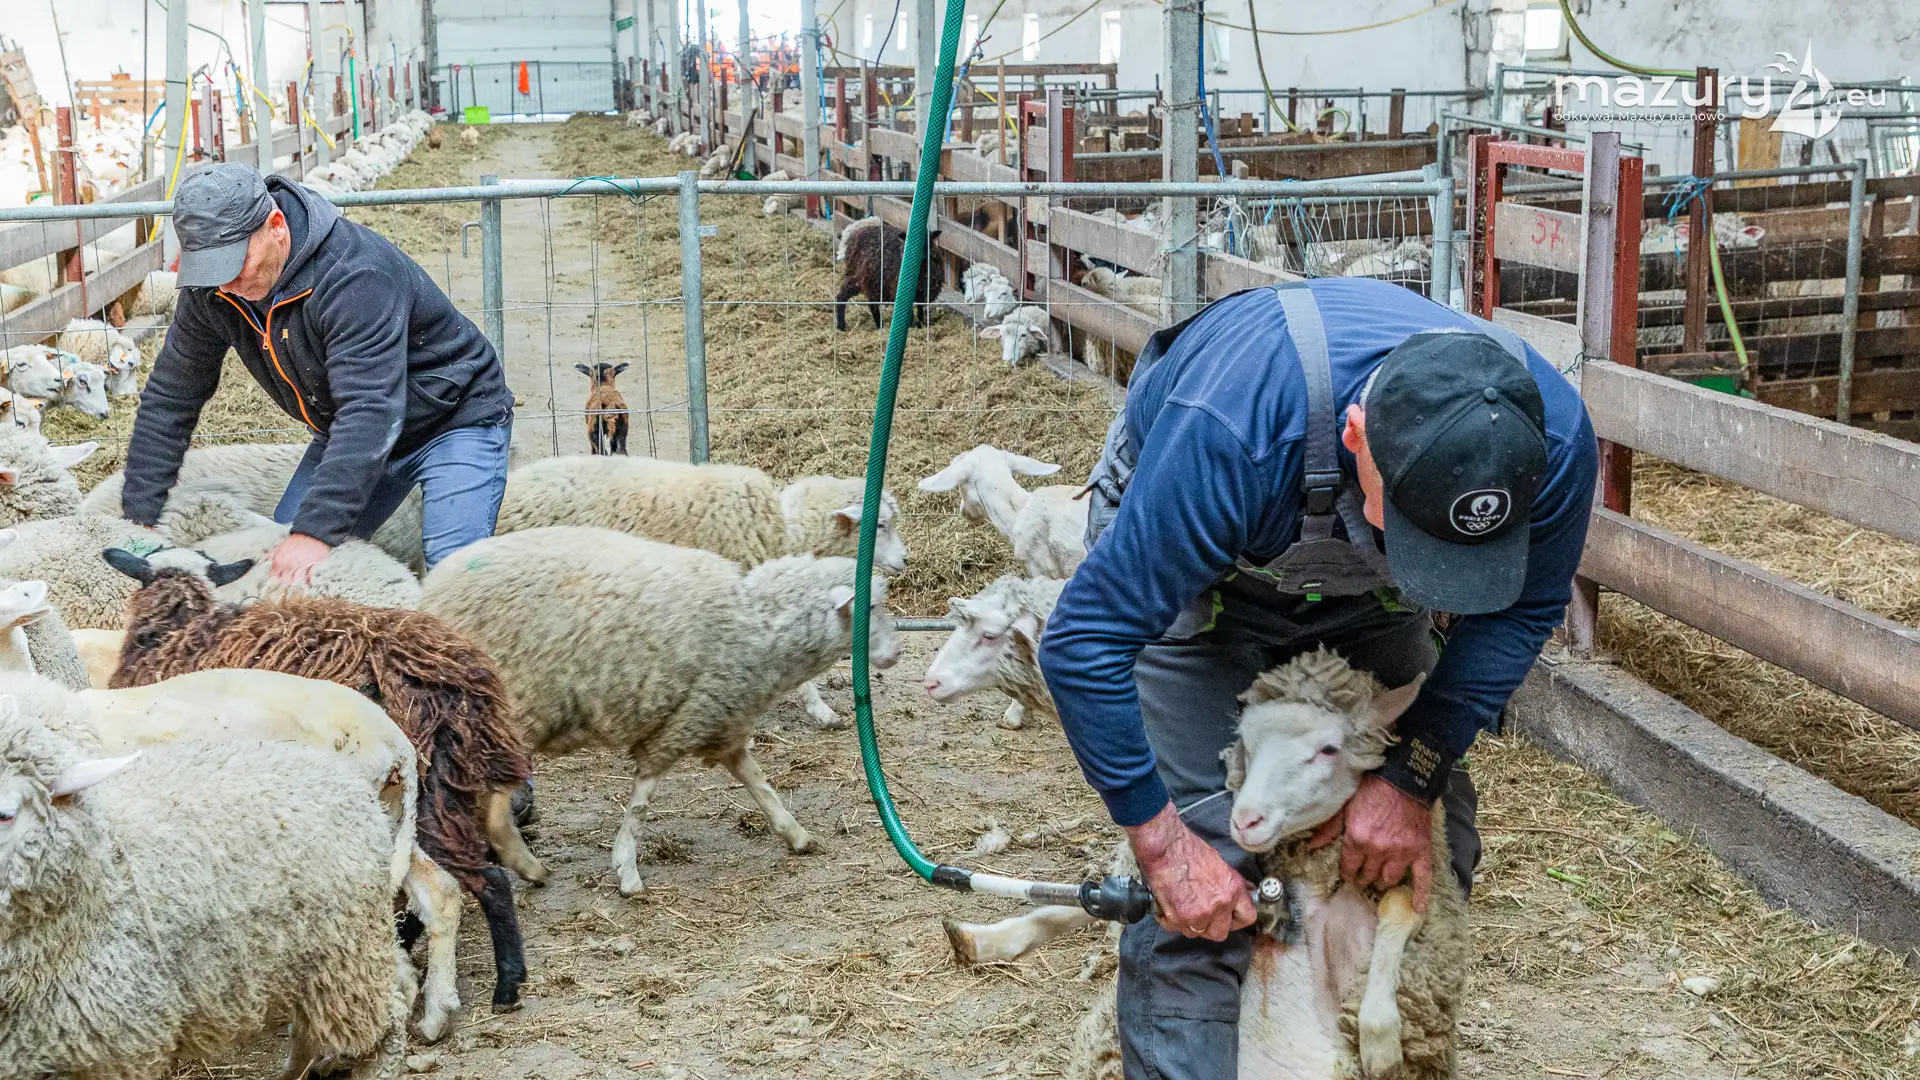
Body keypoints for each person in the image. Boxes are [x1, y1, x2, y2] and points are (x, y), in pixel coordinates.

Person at [1038, 276, 1597, 1078]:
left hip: (1369, 592)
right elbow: (1084, 641)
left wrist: (1412, 778)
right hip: (1205, 571)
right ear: (1357, 434)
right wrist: (1163, 849)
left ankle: (1377, 1040)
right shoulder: (1232, 430)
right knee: (1209, 856)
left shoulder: (1554, 441)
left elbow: (1524, 610)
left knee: (1430, 830)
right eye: (1416, 533)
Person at [119, 162, 514, 579]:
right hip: (351, 426)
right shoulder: (214, 292)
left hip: (452, 418)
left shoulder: (355, 275)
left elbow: (369, 408)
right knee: (280, 564)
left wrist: (315, 533)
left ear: (276, 226)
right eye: (211, 269)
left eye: (236, 262)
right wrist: (140, 515)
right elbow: (172, 395)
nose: (227, 284)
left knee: (453, 572)